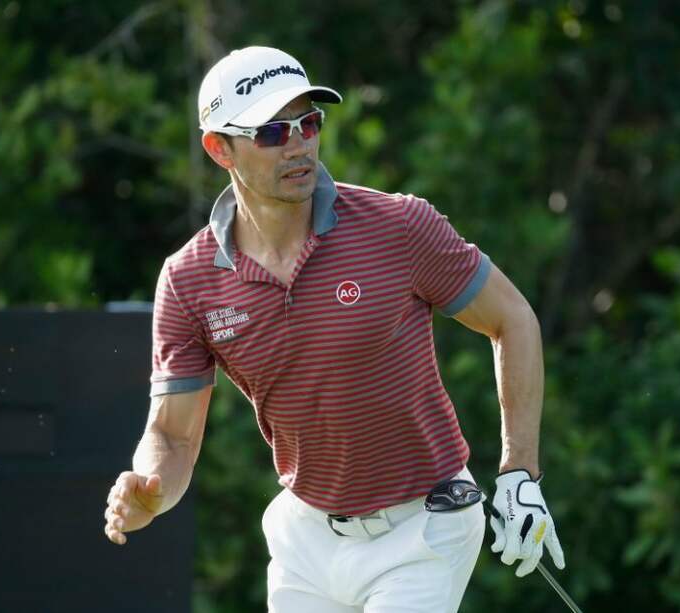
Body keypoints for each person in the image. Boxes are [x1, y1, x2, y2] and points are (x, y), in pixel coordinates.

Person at [102, 46, 565, 612]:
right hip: (306, 538)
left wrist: (520, 473)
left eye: (309, 122)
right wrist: (150, 489)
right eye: (273, 132)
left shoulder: (399, 226)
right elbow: (173, 436)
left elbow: (511, 319)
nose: (298, 144)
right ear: (219, 148)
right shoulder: (188, 281)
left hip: (426, 527)